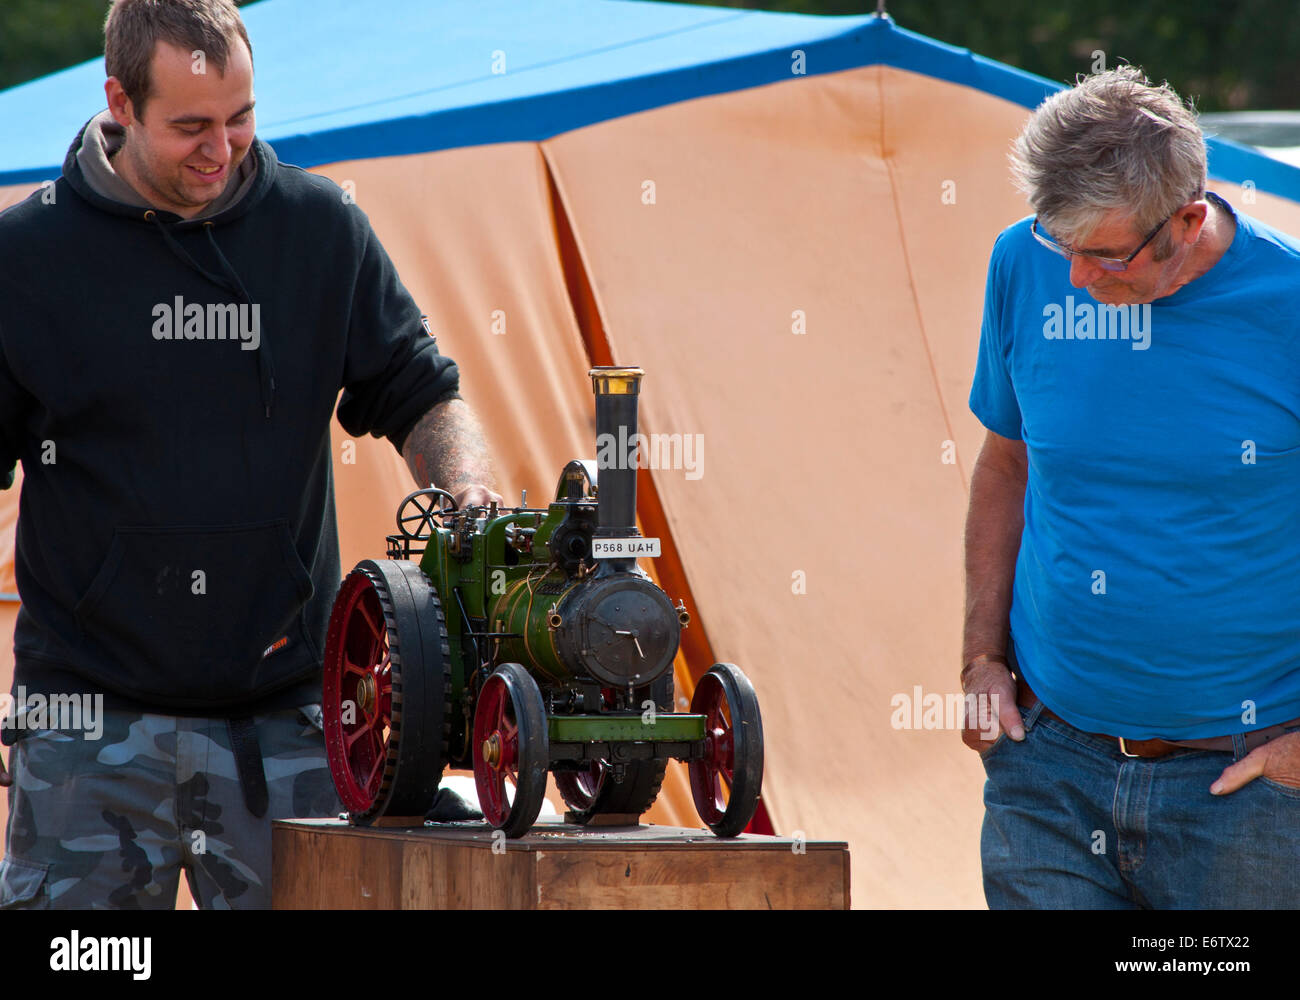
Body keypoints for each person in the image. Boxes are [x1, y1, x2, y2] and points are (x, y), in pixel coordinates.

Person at [0, 0, 502, 909]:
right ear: (119, 102)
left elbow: (424, 392)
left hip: (294, 717)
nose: (221, 149)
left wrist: (469, 494)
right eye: (189, 126)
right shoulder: (26, 254)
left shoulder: (320, 229)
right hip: (85, 720)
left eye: (240, 118)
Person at [961, 66, 1300, 909]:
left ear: (1189, 219)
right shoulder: (1020, 262)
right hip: (1047, 769)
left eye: (1104, 255)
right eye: (1058, 243)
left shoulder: (1289, 305)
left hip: (1251, 791)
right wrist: (981, 660)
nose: (1075, 279)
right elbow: (1007, 463)